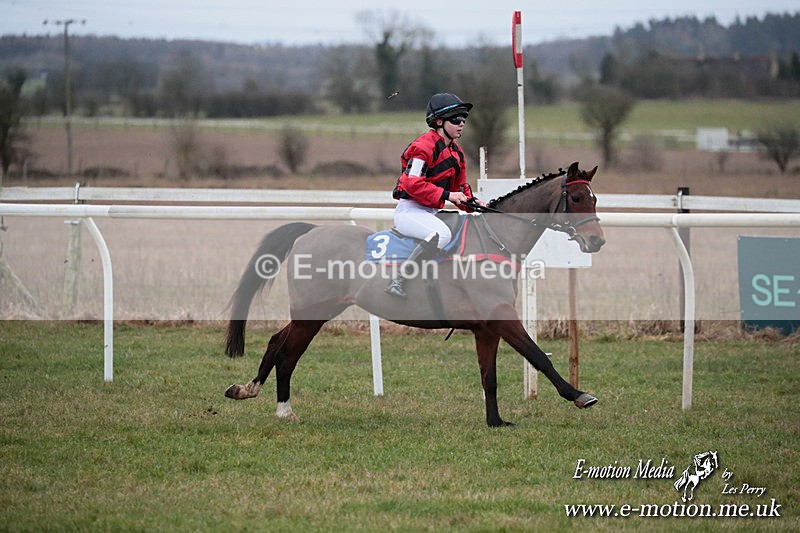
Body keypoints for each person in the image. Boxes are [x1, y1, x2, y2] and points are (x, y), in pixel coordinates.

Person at [385, 92, 486, 298]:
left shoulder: (457, 153)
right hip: (410, 211)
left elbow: (461, 188)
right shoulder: (422, 147)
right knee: (441, 234)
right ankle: (399, 280)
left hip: (430, 212)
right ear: (439, 122)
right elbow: (411, 183)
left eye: (463, 120)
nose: (461, 124)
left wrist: (474, 203)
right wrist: (448, 195)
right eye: (456, 120)